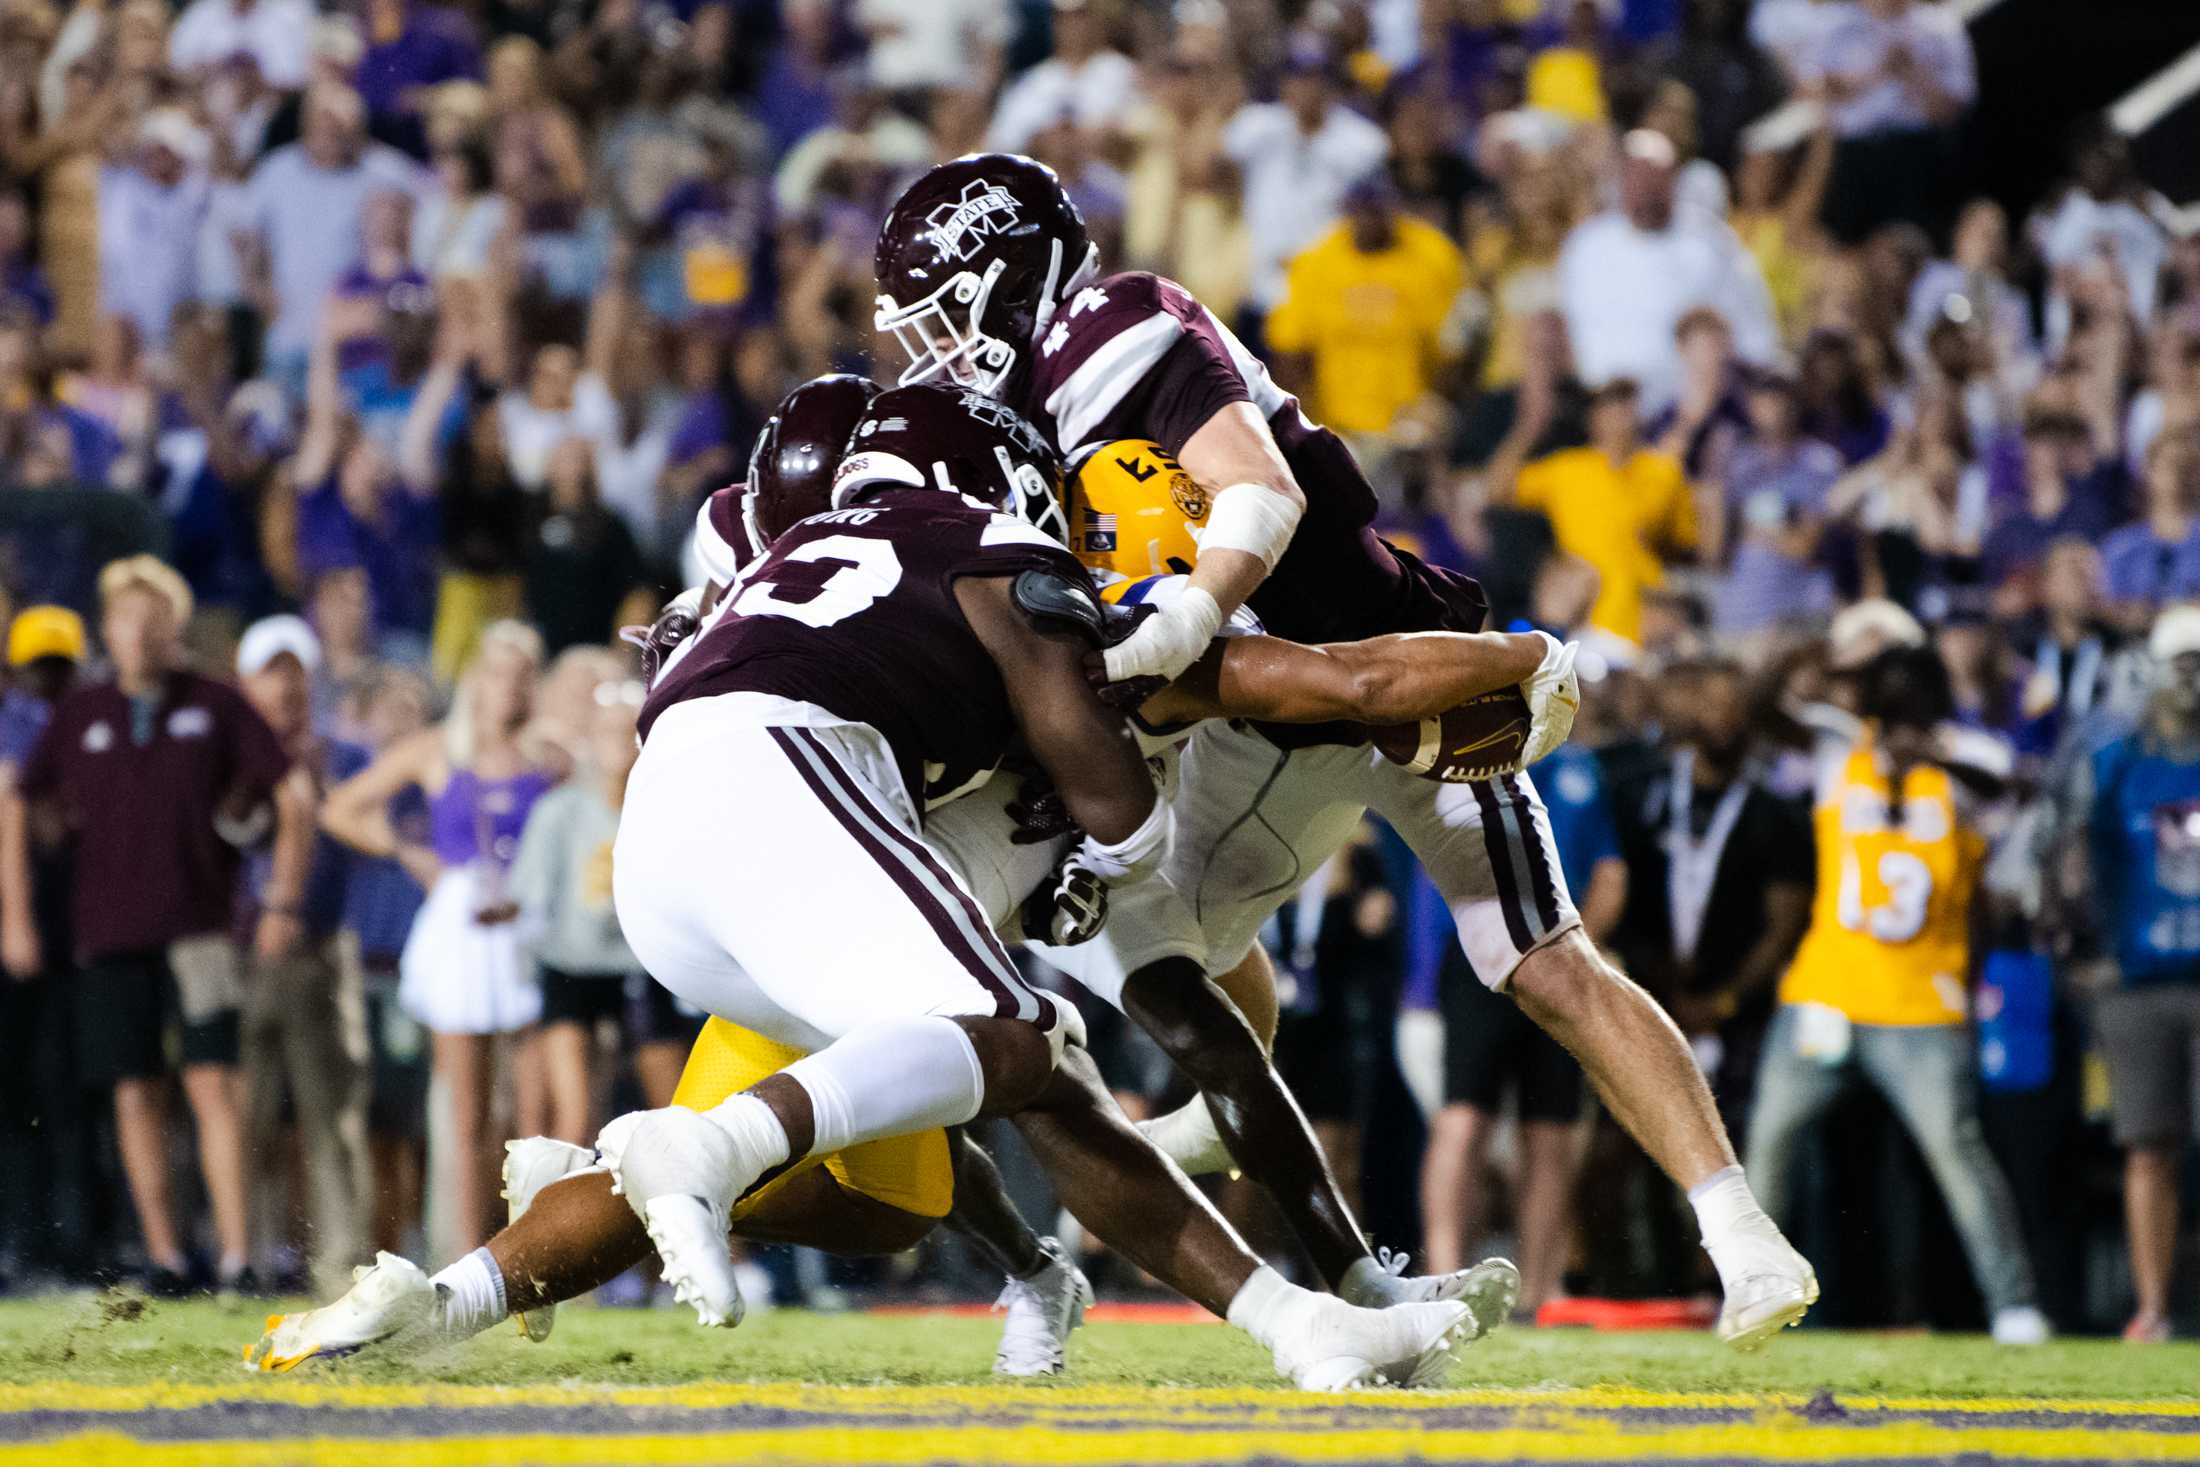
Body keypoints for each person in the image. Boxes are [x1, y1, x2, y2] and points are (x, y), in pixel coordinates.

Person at [255, 384, 1481, 1392]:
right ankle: (703, 1151)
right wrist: (1118, 829)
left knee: (970, 1114)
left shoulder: (765, 564)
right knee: (1019, 1042)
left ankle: (440, 1305)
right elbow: (1163, 785)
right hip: (800, 799)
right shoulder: (1004, 556)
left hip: (689, 849)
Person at [872, 151, 1817, 1348]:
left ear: (1007, 278)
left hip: (1403, 670)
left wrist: (1196, 606)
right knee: (1181, 956)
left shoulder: (1111, 327)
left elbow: (1258, 495)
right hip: (1262, 719)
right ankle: (1243, 1148)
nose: (937, 348)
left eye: (944, 312)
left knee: (1542, 960)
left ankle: (1741, 1236)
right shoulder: (1007, 422)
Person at [3, 557, 305, 1293]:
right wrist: (16, 915)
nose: (137, 632)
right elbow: (19, 798)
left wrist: (283, 901)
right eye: (124, 618)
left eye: (151, 617)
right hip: (107, 929)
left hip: (199, 928)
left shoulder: (216, 703)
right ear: (107, 628)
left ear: (175, 625)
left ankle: (236, 1256)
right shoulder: (83, 711)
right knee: (133, 1090)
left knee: (214, 1084)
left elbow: (292, 795)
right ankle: (166, 1255)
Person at [1745, 646, 2049, 1344]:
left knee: (1956, 1154)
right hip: (1827, 990)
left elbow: (2014, 789)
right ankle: (1755, 1294)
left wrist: (1929, 760)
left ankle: (2013, 1301)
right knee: (1767, 1146)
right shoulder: (1841, 747)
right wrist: (1801, 647)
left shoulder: (1967, 759)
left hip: (1920, 1001)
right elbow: (1762, 713)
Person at [320, 620, 560, 1260]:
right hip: (463, 925)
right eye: (501, 670)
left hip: (528, 925)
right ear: (480, 679)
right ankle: (469, 1250)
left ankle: (538, 1246)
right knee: (467, 1110)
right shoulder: (438, 752)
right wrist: (407, 852)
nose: (510, 686)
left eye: (523, 673)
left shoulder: (548, 760)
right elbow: (341, 807)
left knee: (531, 1105)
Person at [1418, 733, 1626, 1315]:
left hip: (1557, 956)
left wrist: (1580, 948)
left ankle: (1540, 1292)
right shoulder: (1459, 754)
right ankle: (1443, 1277)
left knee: (1550, 1129)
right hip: (1480, 953)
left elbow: (1610, 871)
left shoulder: (1580, 766)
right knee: (1463, 1119)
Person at [2065, 606, 2200, 1343]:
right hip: (2140, 976)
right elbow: (2067, 850)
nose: (2194, 678)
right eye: (2184, 661)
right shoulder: (2118, 757)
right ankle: (2152, 1308)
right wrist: (2082, 947)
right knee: (2148, 1144)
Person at [235, 615, 374, 1296]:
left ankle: (341, 1266)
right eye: (270, 669)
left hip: (320, 949)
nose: (283, 685)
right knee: (243, 1117)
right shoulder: (223, 757)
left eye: (294, 670)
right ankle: (248, 1257)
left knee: (332, 1121)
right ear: (245, 680)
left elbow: (364, 826)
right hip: (237, 951)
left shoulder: (343, 756)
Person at [506, 679, 689, 1145]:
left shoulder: (666, 810)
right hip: (570, 965)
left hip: (642, 966)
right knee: (574, 1116)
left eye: (625, 730)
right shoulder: (560, 810)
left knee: (673, 1110)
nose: (616, 742)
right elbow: (530, 899)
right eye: (606, 730)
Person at [1555, 130, 1775, 413]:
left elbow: (1753, 326)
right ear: (1620, 181)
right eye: (1635, 177)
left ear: (1674, 180)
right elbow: (1567, 327)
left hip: (1693, 410)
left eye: (1654, 178)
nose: (1645, 189)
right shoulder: (1585, 246)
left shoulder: (1710, 240)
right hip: (1602, 411)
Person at [0, 606, 85, 1281]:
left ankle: (52, 1241)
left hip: (64, 925)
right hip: (34, 922)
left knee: (59, 1090)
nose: (47, 682)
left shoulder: (70, 723)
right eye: (39, 668)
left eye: (59, 668)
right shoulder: (24, 725)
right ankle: (30, 1241)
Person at [1489, 376, 1700, 645]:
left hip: (1651, 624)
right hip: (1591, 624)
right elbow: (1496, 489)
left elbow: (1686, 546)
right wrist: (1529, 428)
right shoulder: (1568, 469)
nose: (1621, 413)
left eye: (1627, 402)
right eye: (1610, 403)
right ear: (1593, 416)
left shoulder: (1663, 471)